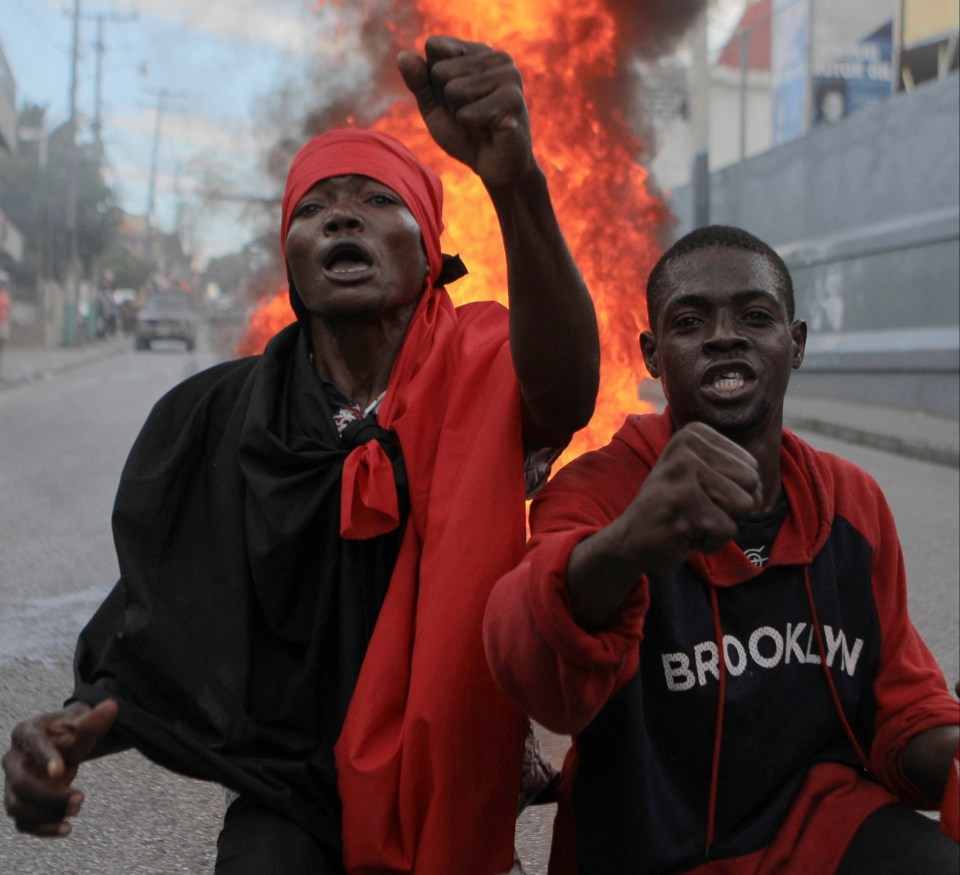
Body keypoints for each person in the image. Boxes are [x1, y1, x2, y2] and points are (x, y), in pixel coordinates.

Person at [3, 36, 599, 875]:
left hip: (449, 783)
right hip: (292, 792)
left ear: (430, 251)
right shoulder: (215, 417)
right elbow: (169, 623)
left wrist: (514, 179)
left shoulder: (490, 362)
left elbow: (568, 390)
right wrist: (71, 727)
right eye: (315, 208)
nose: (341, 218)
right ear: (290, 256)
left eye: (373, 201)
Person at [483, 225, 960, 874]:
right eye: (690, 320)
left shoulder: (854, 500)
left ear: (795, 346)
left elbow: (902, 708)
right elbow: (531, 658)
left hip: (826, 829)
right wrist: (628, 544)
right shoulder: (600, 491)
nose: (723, 335)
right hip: (652, 849)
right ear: (653, 354)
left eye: (755, 316)